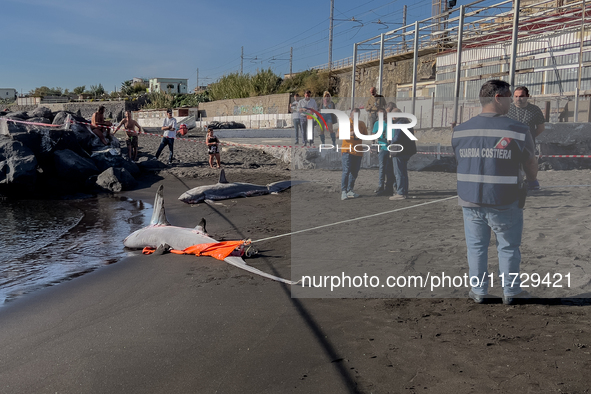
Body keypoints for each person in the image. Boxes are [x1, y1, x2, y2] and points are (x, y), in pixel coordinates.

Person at [452, 80, 538, 305]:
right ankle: (511, 291)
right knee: (508, 246)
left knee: (476, 247)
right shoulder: (517, 129)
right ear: (498, 98)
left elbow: (461, 160)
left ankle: (479, 291)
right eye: (509, 96)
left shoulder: (460, 131)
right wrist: (533, 181)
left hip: (469, 198)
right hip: (504, 198)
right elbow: (530, 161)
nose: (512, 101)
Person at [507, 86, 545, 191]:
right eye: (516, 96)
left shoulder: (535, 110)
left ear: (527, 96)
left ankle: (533, 183)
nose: (518, 98)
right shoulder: (507, 109)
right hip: (510, 143)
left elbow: (541, 128)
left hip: (528, 144)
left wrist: (529, 138)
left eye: (521, 96)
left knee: (530, 163)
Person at [389, 108, 417, 200]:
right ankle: (404, 192)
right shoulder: (407, 122)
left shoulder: (399, 123)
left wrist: (390, 141)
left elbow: (397, 137)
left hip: (399, 151)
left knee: (399, 172)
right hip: (408, 151)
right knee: (403, 172)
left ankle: (400, 192)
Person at [341, 108, 368, 200]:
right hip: (347, 151)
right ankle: (343, 191)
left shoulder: (362, 124)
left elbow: (366, 135)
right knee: (346, 171)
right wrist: (352, 133)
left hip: (358, 151)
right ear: (351, 114)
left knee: (354, 172)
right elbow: (338, 135)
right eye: (354, 114)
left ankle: (350, 190)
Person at [372, 108, 395, 196]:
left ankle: (389, 187)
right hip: (382, 148)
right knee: (382, 168)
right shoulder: (377, 124)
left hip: (391, 148)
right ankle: (380, 186)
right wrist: (373, 144)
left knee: (390, 169)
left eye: (383, 114)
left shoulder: (391, 123)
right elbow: (373, 134)